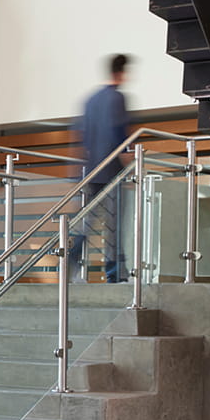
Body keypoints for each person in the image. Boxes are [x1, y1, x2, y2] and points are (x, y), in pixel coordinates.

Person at [71, 53, 133, 283]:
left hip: (91, 171)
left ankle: (73, 265)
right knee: (114, 226)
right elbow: (119, 134)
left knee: (87, 223)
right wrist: (128, 159)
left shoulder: (90, 100)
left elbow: (83, 137)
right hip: (112, 171)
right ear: (121, 72)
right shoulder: (117, 98)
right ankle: (114, 274)